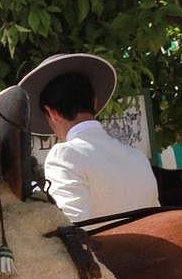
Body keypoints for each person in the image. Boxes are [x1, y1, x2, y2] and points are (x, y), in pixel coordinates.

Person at [19, 53, 161, 224]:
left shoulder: (64, 155)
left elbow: (73, 228)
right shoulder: (137, 157)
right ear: (94, 102)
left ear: (52, 113)